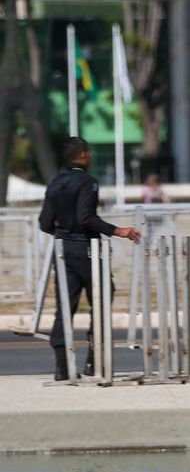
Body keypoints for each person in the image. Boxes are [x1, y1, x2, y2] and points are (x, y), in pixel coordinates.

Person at [38, 137, 141, 380]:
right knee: (103, 298)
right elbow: (86, 218)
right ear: (83, 155)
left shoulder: (54, 183)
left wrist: (64, 232)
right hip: (86, 250)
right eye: (89, 153)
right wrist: (120, 231)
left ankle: (62, 369)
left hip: (62, 250)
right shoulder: (88, 182)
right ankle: (94, 362)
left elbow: (44, 223)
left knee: (65, 306)